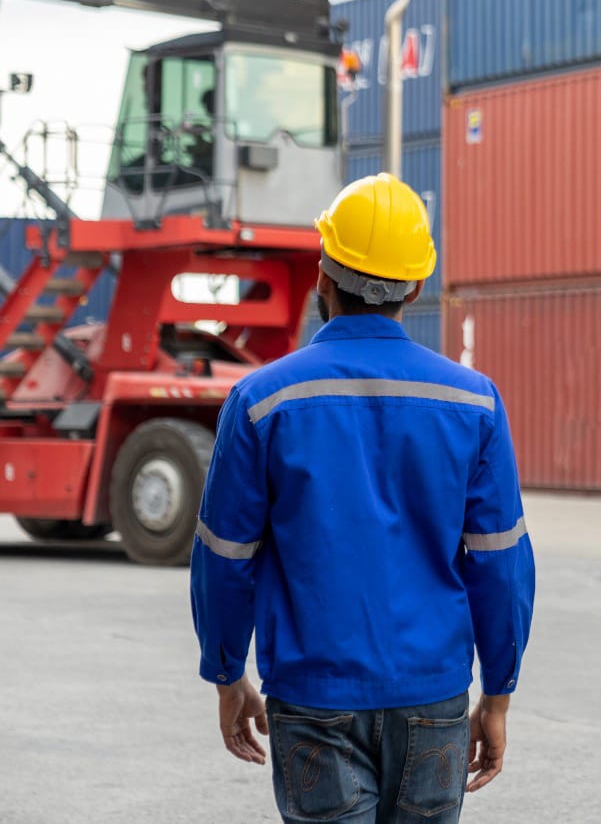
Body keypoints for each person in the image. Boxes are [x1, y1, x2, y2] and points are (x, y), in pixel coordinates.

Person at [190, 173, 535, 824]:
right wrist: (498, 692)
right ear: (415, 286)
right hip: (431, 698)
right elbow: (500, 562)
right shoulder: (473, 402)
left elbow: (224, 555)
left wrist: (227, 671)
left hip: (313, 695)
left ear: (323, 279)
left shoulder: (262, 402)